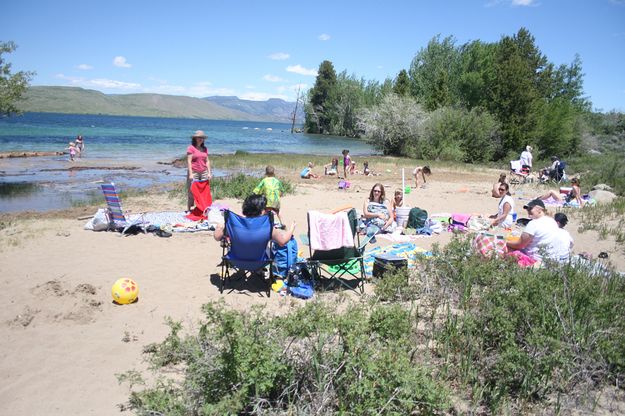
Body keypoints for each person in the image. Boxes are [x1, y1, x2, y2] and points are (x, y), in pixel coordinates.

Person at [213, 194, 295, 246]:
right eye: (265, 208)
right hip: (259, 261)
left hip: (236, 259)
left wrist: (220, 226)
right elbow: (282, 242)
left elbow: (217, 237)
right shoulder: (267, 227)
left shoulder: (234, 224)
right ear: (260, 210)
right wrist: (291, 229)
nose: (266, 210)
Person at [186, 130, 212, 211]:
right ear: (195, 139)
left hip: (204, 172)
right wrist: (190, 174)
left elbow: (207, 161)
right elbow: (189, 161)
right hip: (194, 172)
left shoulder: (205, 149)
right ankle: (190, 209)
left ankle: (201, 208)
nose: (200, 139)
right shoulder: (191, 148)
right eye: (199, 138)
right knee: (192, 191)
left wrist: (209, 173)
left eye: (202, 138)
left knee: (203, 191)